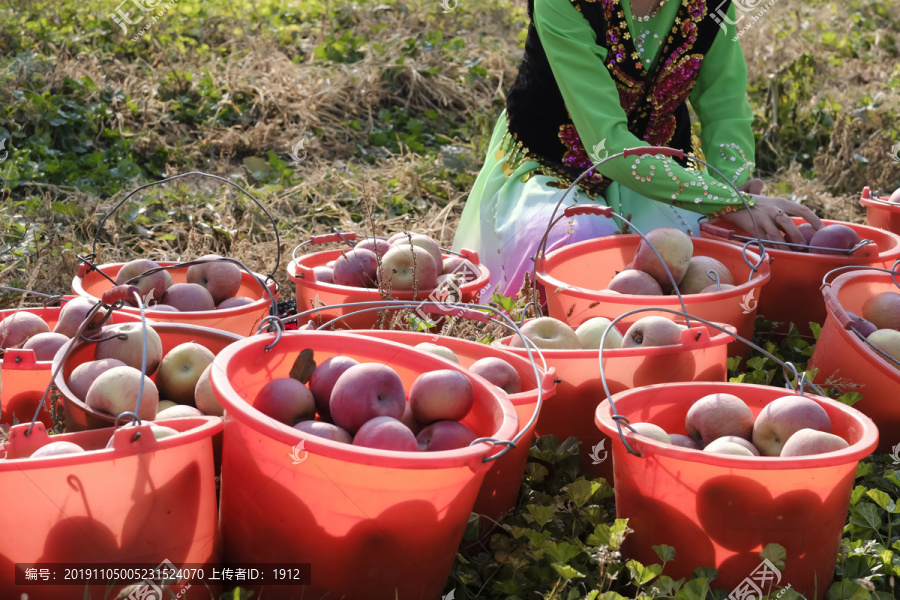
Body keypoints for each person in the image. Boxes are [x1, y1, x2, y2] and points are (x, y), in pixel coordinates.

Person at [452, 0, 823, 299]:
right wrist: (725, 202)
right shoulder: (565, 3)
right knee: (580, 248)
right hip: (552, 164)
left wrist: (733, 186)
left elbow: (725, 107)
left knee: (703, 255)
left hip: (662, 168)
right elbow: (607, 144)